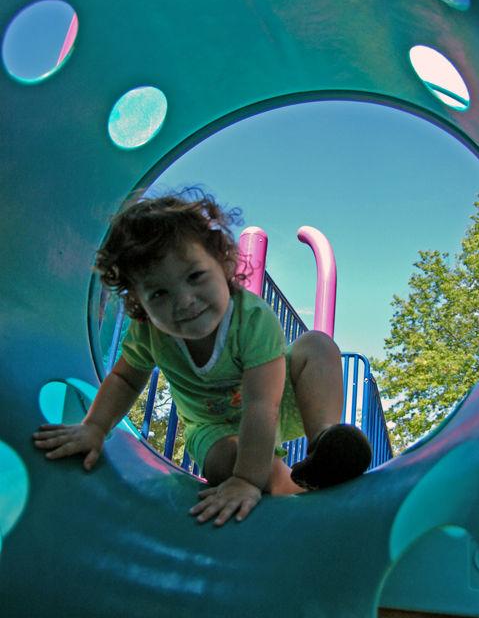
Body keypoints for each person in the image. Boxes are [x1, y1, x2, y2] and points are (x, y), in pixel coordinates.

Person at [33, 191, 372, 526]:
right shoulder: (149, 330)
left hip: (274, 400)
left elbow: (261, 406)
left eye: (195, 276)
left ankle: (324, 443)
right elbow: (124, 379)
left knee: (317, 344)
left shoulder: (253, 321)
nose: (184, 301)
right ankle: (299, 490)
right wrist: (94, 427)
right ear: (138, 301)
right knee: (233, 463)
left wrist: (248, 480)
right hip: (212, 427)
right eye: (159, 293)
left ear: (223, 264)